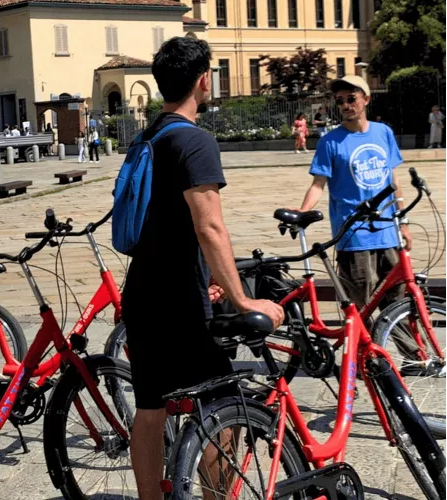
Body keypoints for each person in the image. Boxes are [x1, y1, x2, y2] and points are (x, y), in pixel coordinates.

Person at [121, 37, 284, 500]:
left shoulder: (146, 137)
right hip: (178, 298)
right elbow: (209, 226)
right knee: (222, 402)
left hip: (142, 289)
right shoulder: (195, 141)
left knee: (150, 407)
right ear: (203, 80)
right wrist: (242, 297)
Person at [293, 74, 411, 336]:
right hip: (354, 234)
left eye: (351, 98)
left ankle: (413, 359)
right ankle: (364, 358)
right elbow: (318, 183)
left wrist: (403, 222)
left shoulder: (383, 133)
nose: (346, 105)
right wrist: (303, 212)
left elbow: (393, 179)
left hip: (387, 231)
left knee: (398, 302)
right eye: (340, 101)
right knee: (360, 306)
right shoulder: (330, 142)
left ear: (366, 100)